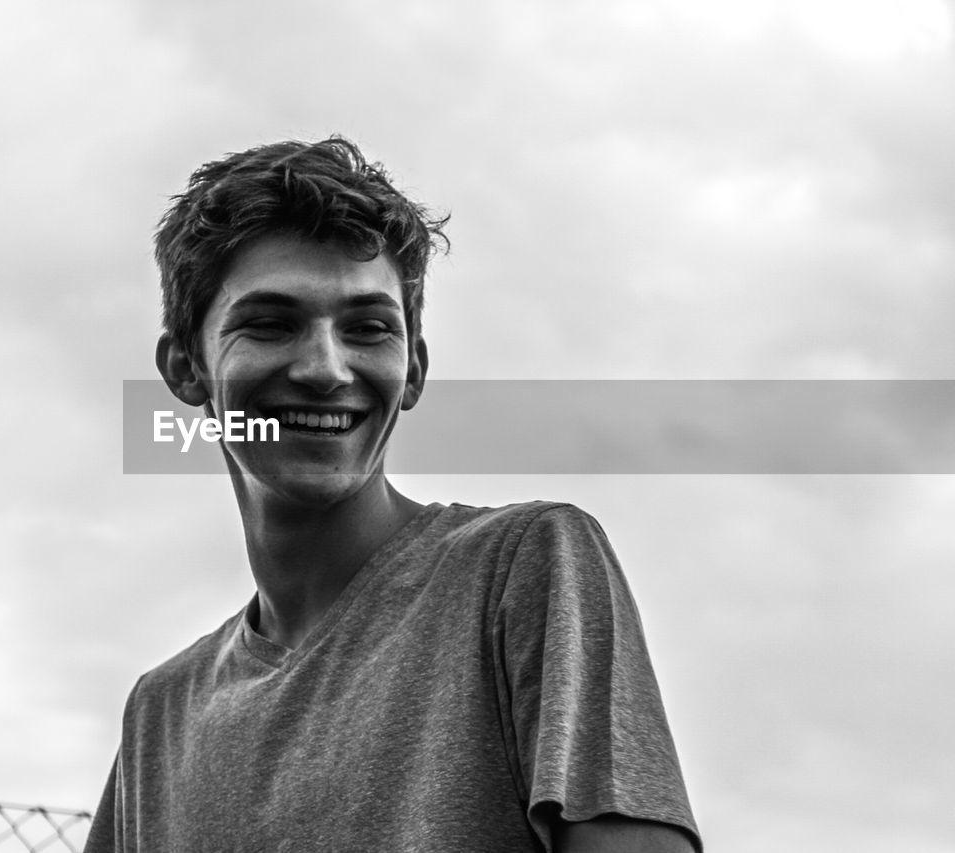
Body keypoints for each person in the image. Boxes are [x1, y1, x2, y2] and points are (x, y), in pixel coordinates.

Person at [87, 137, 702, 852]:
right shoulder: (161, 712)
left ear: (413, 370)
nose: (324, 368)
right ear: (185, 369)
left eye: (368, 328)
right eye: (270, 323)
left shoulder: (523, 569)